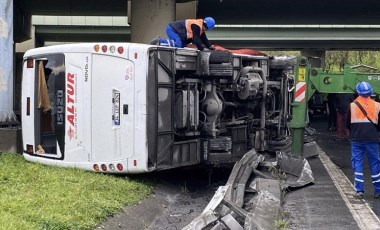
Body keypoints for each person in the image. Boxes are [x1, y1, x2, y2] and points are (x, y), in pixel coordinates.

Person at [346, 82, 380, 199]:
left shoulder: (352, 105)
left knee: (358, 163)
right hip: (372, 139)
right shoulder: (377, 106)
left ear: (357, 92)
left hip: (357, 139)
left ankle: (359, 190)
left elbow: (347, 124)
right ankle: (378, 190)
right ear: (371, 92)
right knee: (375, 163)